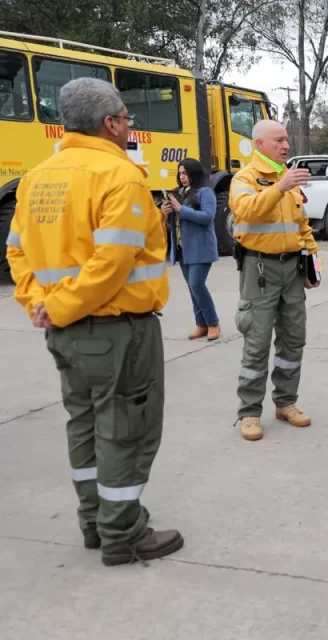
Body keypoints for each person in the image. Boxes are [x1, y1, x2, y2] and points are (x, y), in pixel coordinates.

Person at [4, 77, 183, 566]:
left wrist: (40, 303)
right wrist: (59, 306)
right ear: (110, 123)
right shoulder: (118, 175)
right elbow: (112, 263)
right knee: (126, 427)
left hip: (63, 334)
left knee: (83, 424)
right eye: (126, 118)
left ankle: (93, 522)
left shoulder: (39, 176)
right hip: (116, 330)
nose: (129, 126)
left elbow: (16, 250)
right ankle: (122, 533)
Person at [229, 119, 320, 442]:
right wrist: (278, 188)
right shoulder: (244, 179)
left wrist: (312, 264)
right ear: (260, 145)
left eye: (286, 140)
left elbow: (302, 225)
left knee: (293, 339)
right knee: (256, 342)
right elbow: (245, 210)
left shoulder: (288, 178)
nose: (286, 146)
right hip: (260, 271)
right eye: (279, 140)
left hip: (292, 270)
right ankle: (249, 411)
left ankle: (286, 403)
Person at [161, 158, 221, 341]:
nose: (182, 177)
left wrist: (181, 209)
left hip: (201, 248)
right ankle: (201, 324)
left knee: (197, 284)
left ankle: (213, 323)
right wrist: (165, 212)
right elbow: (177, 221)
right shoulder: (179, 193)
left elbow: (208, 217)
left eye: (185, 173)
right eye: (180, 173)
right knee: (192, 287)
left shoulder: (205, 192)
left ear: (194, 174)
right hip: (182, 248)